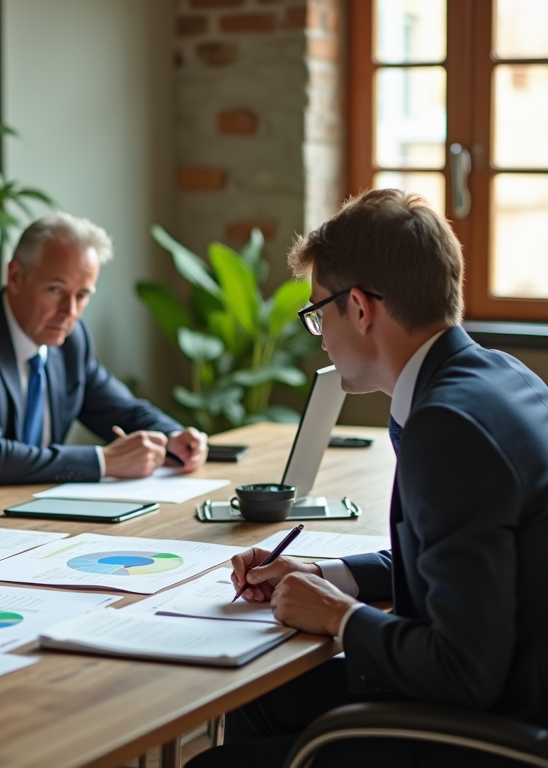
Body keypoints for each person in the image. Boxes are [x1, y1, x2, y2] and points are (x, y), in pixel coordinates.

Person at [189, 189, 548, 767]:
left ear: (358, 307)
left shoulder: (447, 426)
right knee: (261, 700)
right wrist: (325, 574)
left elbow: (463, 671)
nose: (320, 336)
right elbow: (451, 562)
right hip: (513, 682)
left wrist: (335, 615)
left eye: (316, 314)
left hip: (494, 730)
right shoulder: (498, 376)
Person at [0, 212, 207, 502]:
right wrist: (104, 462)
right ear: (15, 277)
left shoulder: (70, 340)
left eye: (82, 296)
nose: (70, 311)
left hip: (26, 509)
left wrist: (175, 437)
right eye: (56, 290)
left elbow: (122, 410)